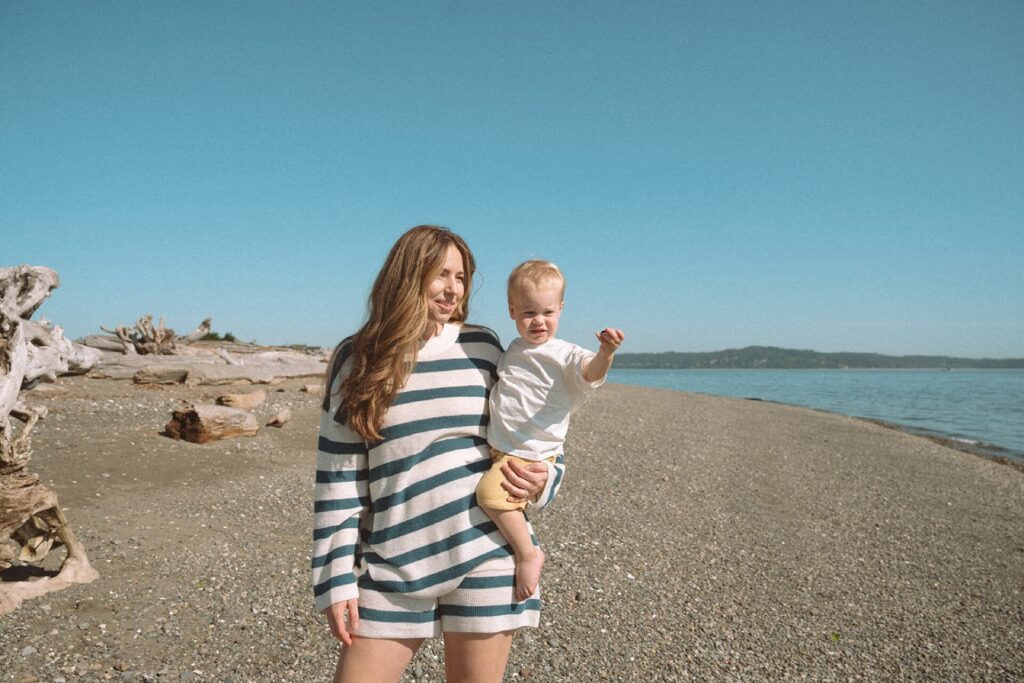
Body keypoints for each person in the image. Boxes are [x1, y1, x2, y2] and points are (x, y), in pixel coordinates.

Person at [313, 226, 565, 683]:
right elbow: (338, 479)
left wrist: (547, 480)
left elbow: (537, 426)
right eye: (440, 274)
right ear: (407, 275)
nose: (453, 289)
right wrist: (335, 578)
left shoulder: (485, 347)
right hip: (392, 561)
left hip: (486, 553)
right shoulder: (357, 358)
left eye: (462, 277)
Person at [476, 260, 624, 601]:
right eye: (528, 312)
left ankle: (528, 553)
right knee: (502, 498)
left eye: (547, 311)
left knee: (490, 497)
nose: (538, 321)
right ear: (512, 310)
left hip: (531, 451)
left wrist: (606, 353)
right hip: (505, 447)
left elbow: (590, 372)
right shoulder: (512, 349)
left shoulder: (565, 353)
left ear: (560, 309)